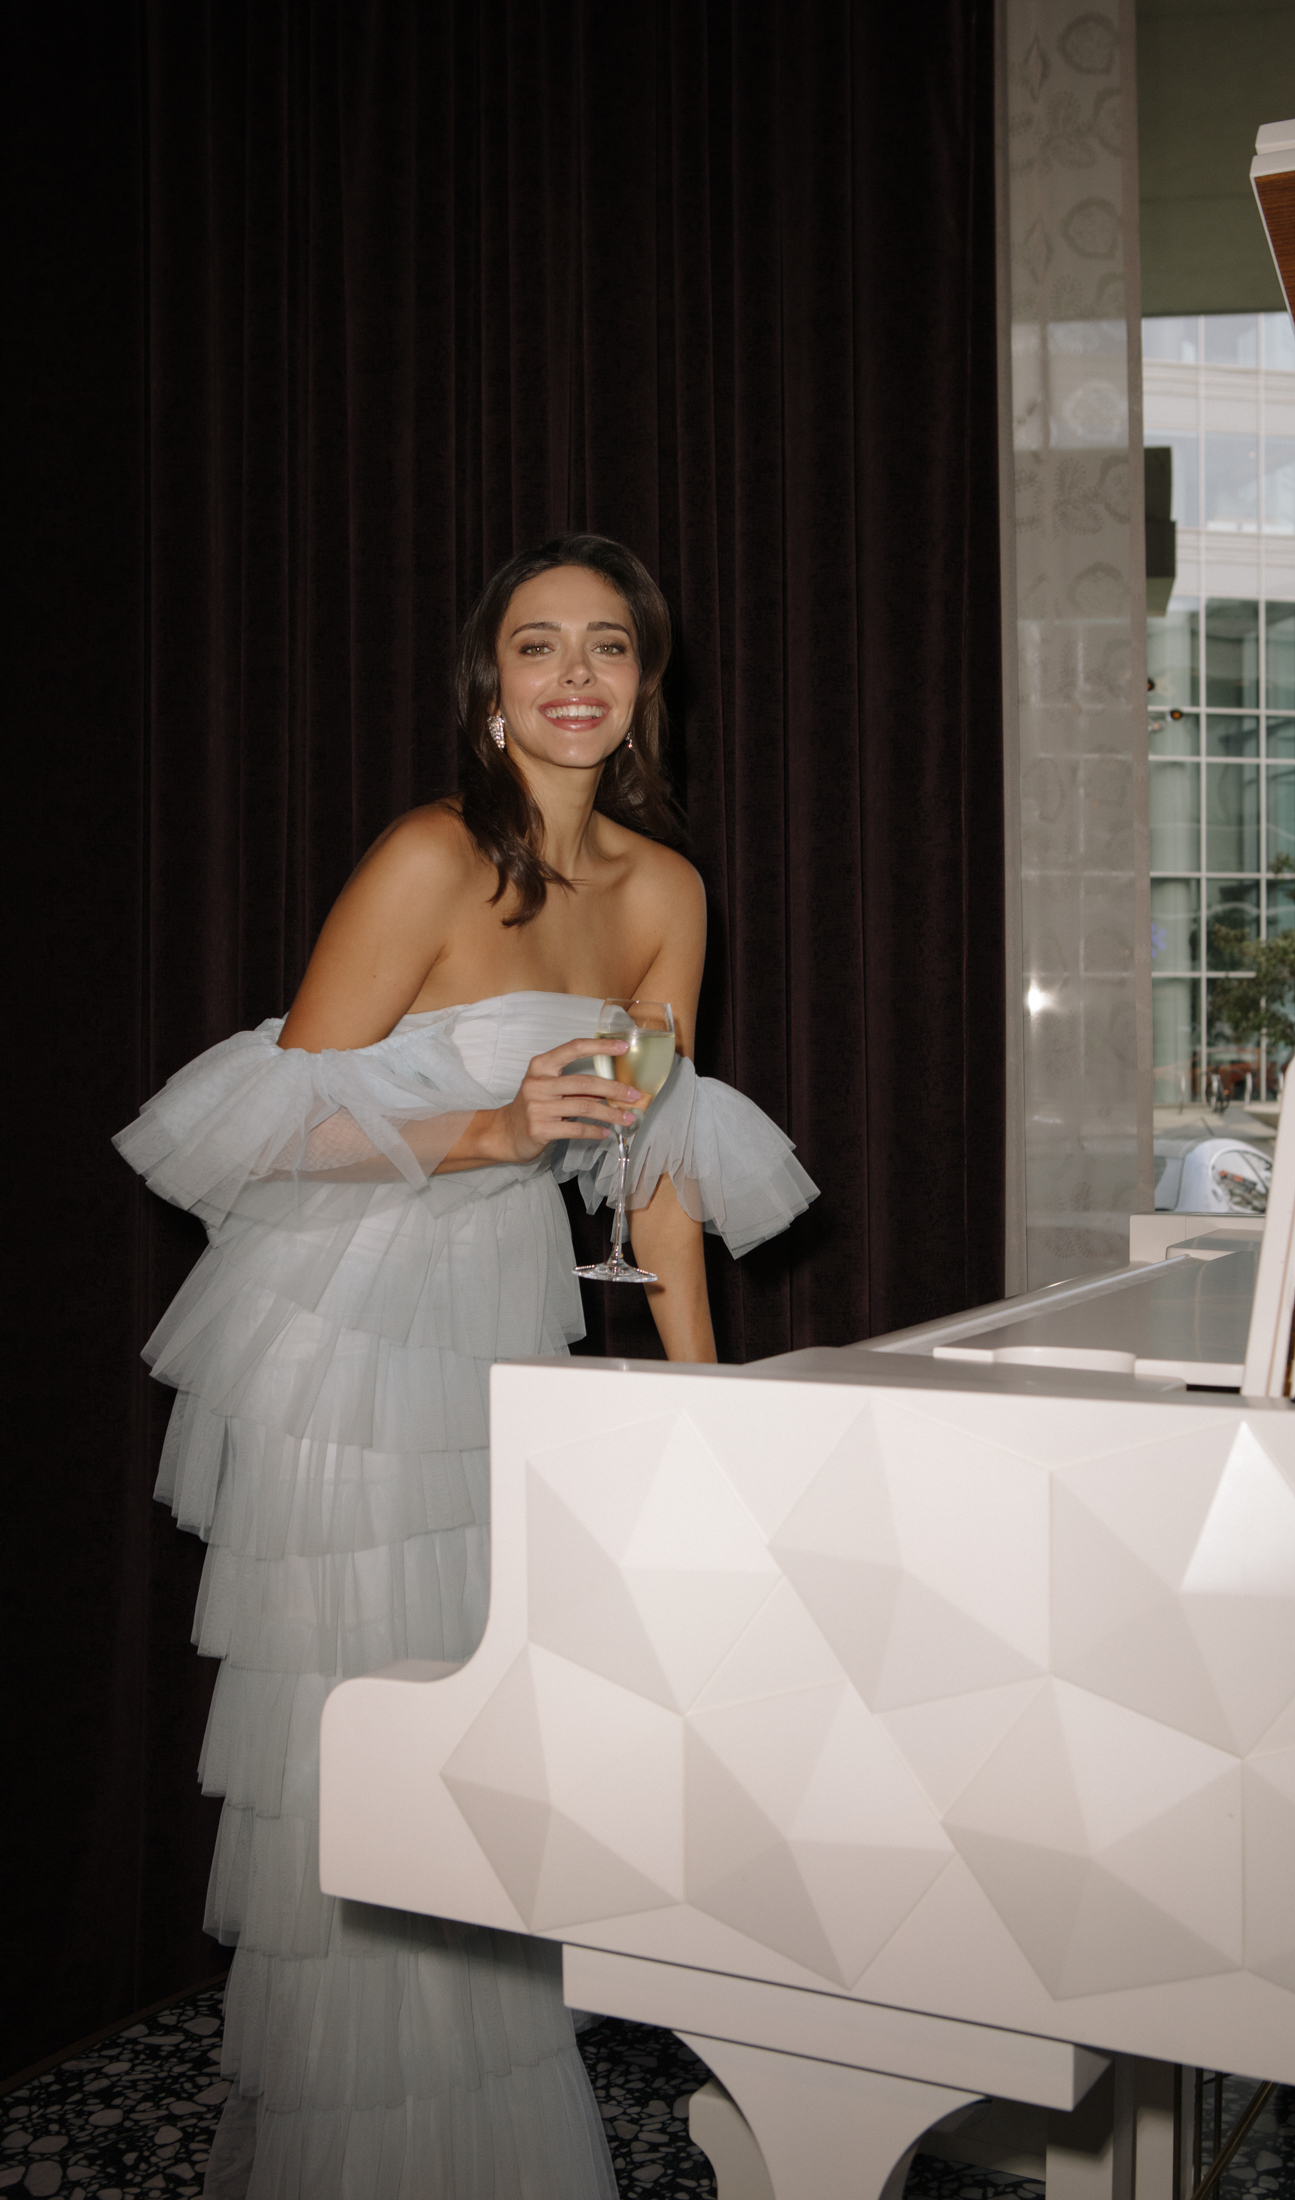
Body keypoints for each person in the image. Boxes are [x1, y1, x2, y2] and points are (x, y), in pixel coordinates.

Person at [115, 534, 818, 2200]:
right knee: (360, 1751)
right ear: (490, 686)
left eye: (608, 645)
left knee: (480, 1753)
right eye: (536, 645)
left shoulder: (665, 892)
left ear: (646, 684)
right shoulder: (431, 857)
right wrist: (495, 1129)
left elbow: (656, 1169)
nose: (575, 674)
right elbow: (262, 1130)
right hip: (336, 1341)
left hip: (501, 1329)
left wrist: (707, 1409)